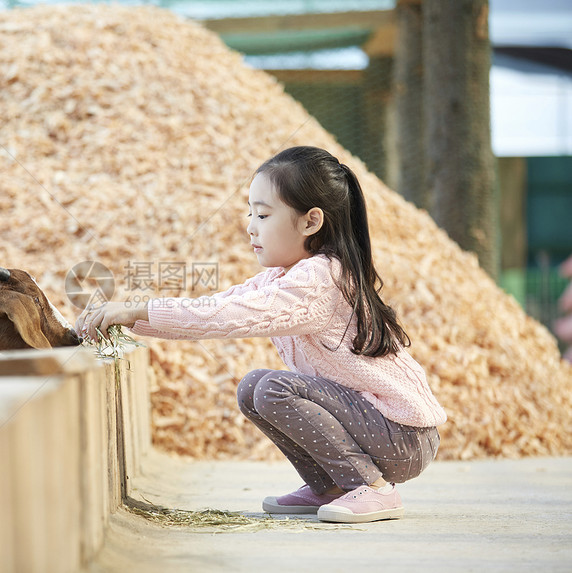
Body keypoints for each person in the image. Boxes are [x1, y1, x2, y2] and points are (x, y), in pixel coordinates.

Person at [75, 146, 446, 524]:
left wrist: (137, 310)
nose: (249, 225)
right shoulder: (282, 277)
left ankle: (374, 489)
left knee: (271, 388)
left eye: (263, 214)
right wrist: (132, 317)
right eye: (250, 211)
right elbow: (214, 307)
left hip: (402, 434)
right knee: (252, 388)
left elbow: (227, 318)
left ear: (310, 222)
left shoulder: (320, 278)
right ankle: (331, 487)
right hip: (381, 429)